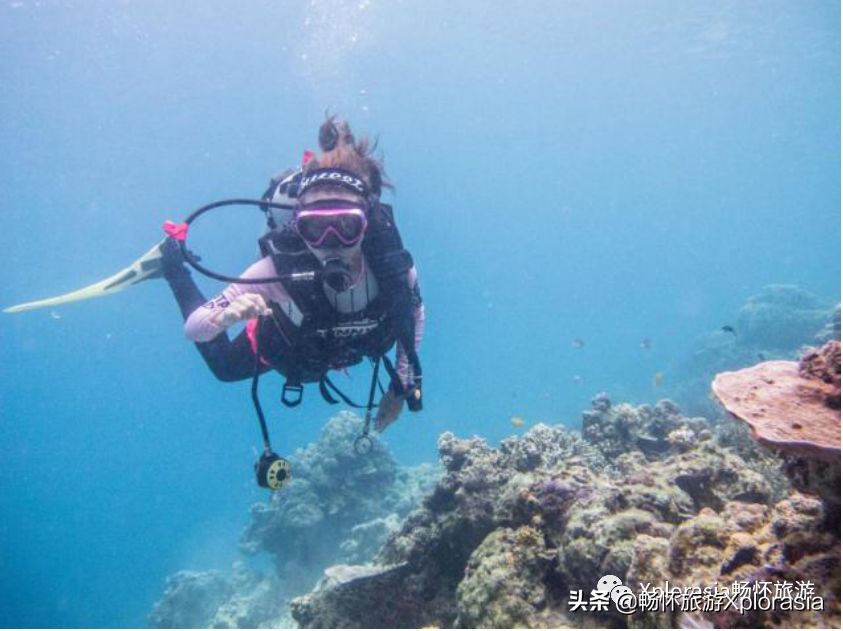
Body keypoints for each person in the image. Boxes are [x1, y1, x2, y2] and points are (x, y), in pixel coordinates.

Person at [160, 117, 424, 432]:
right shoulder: (276, 271)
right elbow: (194, 328)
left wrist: (401, 386)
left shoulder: (394, 268)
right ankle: (171, 266)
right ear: (299, 227)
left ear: (365, 223)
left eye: (346, 226)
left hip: (326, 350)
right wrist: (226, 317)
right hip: (294, 347)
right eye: (314, 228)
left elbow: (414, 314)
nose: (330, 242)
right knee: (225, 368)